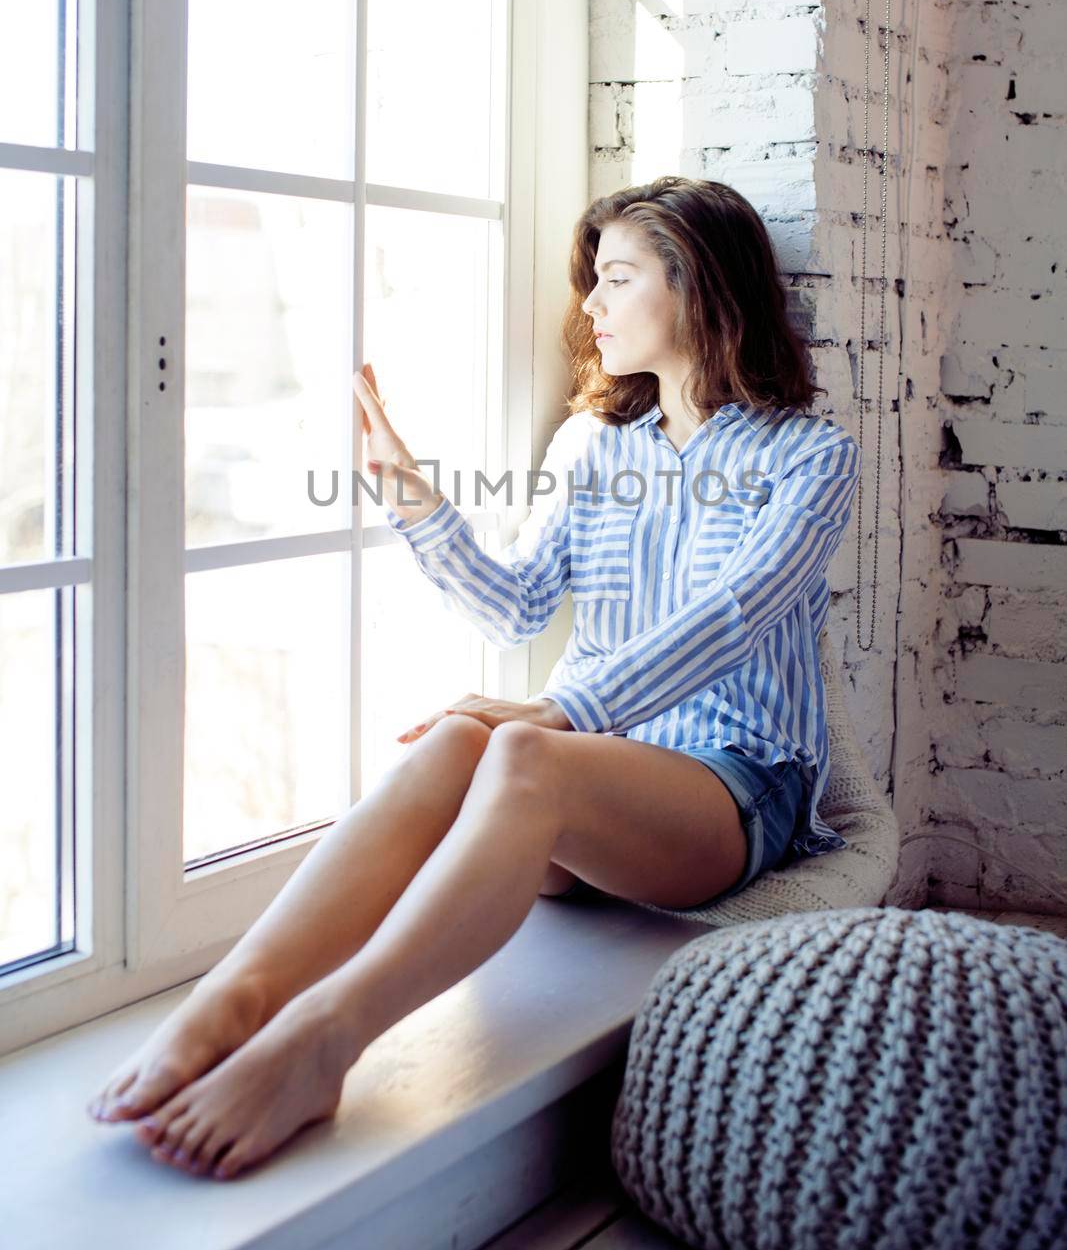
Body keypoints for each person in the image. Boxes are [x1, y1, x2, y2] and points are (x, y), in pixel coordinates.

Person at [86, 175, 861, 1182]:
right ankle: (233, 999)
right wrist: (413, 499)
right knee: (462, 739)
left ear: (697, 286)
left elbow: (732, 616)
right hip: (592, 783)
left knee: (524, 752)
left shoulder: (810, 456)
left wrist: (554, 710)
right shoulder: (593, 447)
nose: (588, 304)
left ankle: (328, 1033)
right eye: (592, 280)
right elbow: (517, 608)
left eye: (615, 277)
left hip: (734, 785)